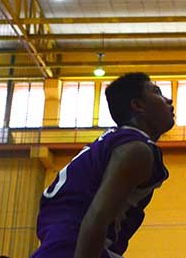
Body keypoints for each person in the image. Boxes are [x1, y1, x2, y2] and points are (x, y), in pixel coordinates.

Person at [31, 72, 175, 258]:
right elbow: (96, 217)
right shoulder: (136, 150)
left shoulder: (106, 144)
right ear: (138, 105)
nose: (168, 100)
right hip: (77, 250)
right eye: (157, 92)